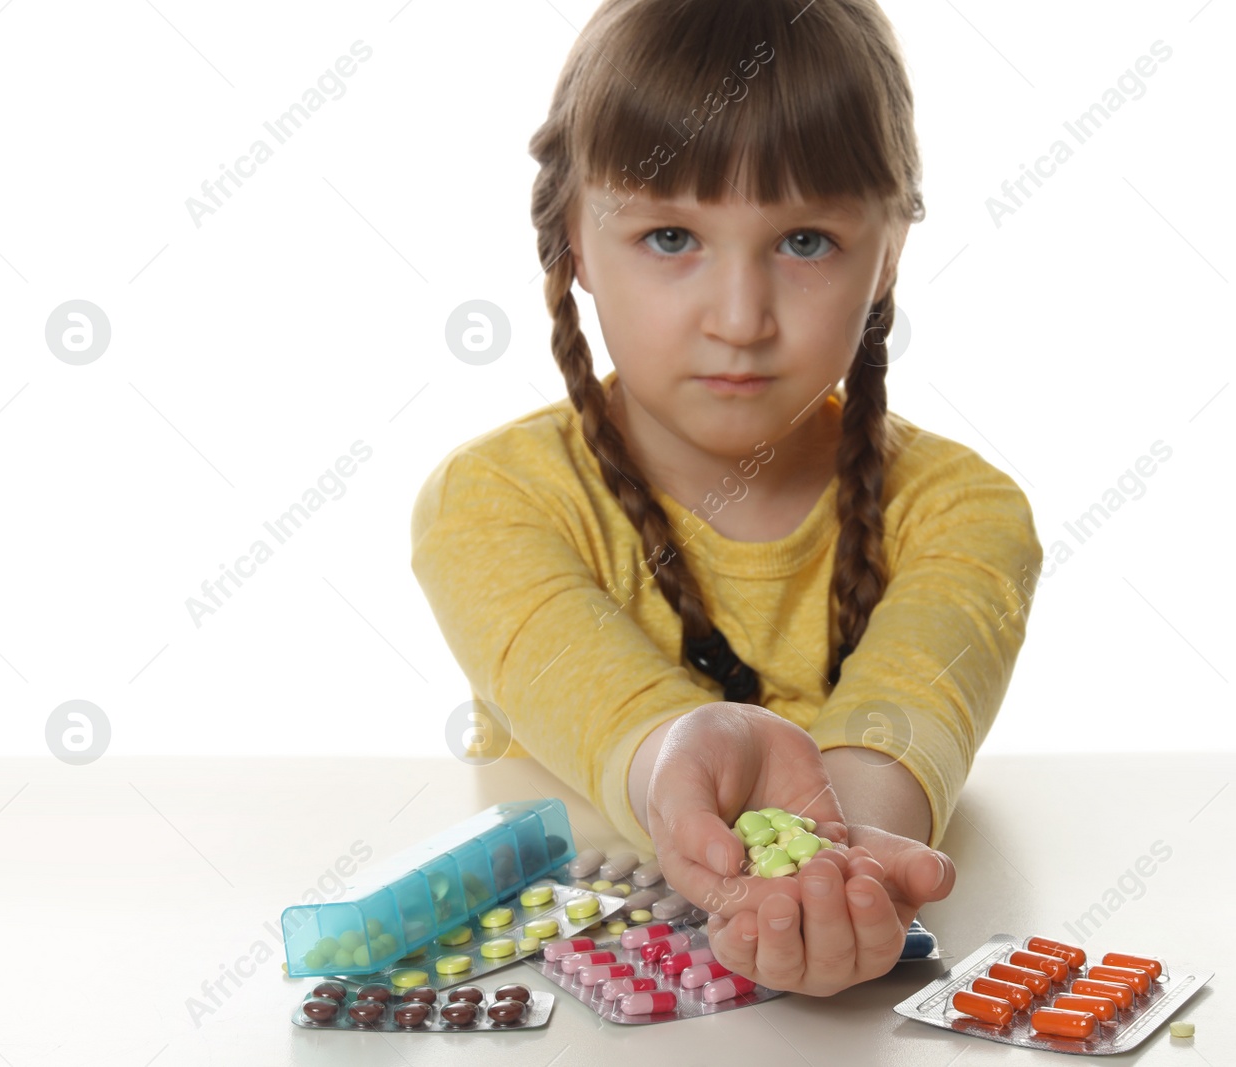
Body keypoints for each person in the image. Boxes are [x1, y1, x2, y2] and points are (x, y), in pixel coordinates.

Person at [411, 0, 1043, 996]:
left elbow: (907, 718)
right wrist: (691, 764)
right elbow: (619, 712)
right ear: (573, 239)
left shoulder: (963, 514)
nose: (740, 319)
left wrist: (834, 865)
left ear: (889, 254)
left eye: (802, 242)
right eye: (670, 236)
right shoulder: (489, 505)